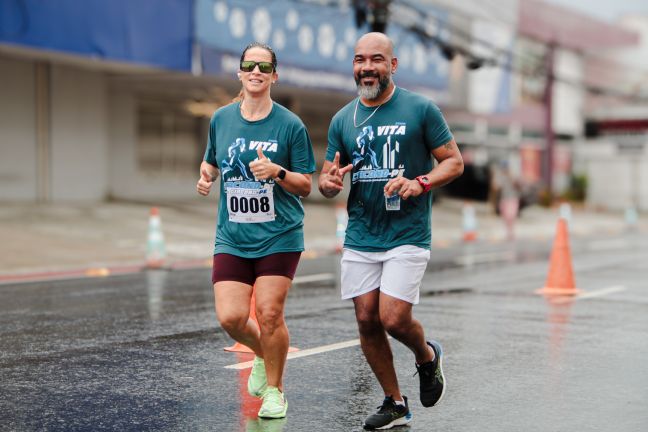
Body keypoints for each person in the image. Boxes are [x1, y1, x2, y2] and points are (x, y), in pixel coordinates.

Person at [319, 32, 464, 430]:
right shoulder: (342, 119)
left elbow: (454, 162)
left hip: (407, 232)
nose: (367, 67)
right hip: (362, 232)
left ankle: (426, 356)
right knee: (366, 320)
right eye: (360, 59)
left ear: (392, 65)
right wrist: (328, 183)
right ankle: (395, 402)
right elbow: (328, 176)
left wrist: (420, 183)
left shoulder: (420, 109)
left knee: (394, 318)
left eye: (377, 59)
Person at [197, 42, 315, 420]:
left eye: (264, 66)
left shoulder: (289, 125)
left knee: (268, 313)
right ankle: (265, 353)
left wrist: (277, 172)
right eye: (249, 65)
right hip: (232, 234)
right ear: (240, 73)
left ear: (274, 76)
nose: (256, 71)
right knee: (231, 318)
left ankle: (276, 393)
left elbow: (305, 184)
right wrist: (206, 175)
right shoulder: (221, 118)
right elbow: (212, 161)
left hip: (279, 234)